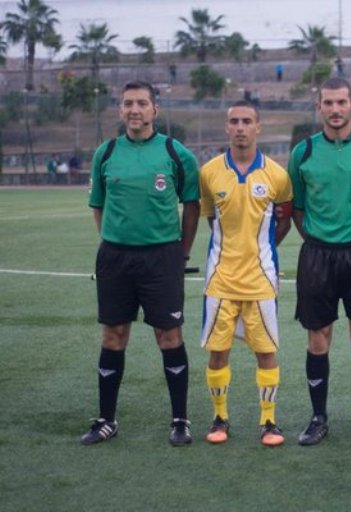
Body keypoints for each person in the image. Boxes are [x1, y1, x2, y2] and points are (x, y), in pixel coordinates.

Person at [81, 80, 200, 446]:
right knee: (113, 335)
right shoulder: (106, 152)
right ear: (120, 110)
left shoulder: (176, 153)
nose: (135, 109)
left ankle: (180, 420)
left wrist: (181, 252)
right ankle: (107, 420)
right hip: (115, 258)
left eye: (142, 103)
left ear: (154, 110)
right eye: (128, 103)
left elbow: (192, 205)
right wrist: (114, 240)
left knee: (169, 335)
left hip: (162, 257)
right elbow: (98, 206)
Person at [287, 77, 351, 447]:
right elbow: (297, 207)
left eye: (341, 102)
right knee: (318, 339)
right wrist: (318, 239)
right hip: (317, 255)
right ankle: (318, 418)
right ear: (319, 106)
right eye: (328, 102)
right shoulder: (303, 152)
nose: (335, 109)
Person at [199, 100, 293, 446]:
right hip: (220, 279)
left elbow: (284, 220)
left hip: (261, 279)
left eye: (247, 121)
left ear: (258, 127)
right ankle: (220, 417)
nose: (240, 127)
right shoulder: (209, 172)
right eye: (235, 121)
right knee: (217, 352)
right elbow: (211, 218)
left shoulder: (277, 175)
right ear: (227, 127)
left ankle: (269, 421)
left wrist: (261, 249)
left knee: (266, 351)